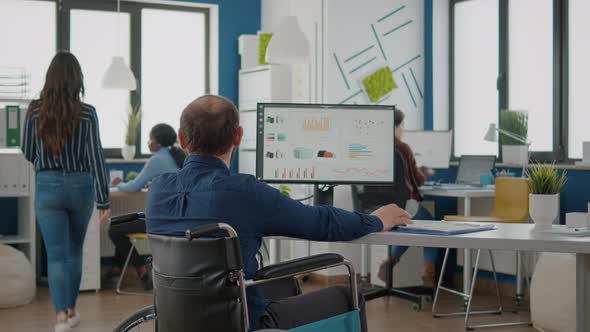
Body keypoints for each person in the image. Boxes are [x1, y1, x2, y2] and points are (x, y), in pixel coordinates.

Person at [145, 95, 412, 332]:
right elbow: (321, 223)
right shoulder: (244, 192)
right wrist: (376, 220)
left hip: (177, 319)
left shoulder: (158, 190)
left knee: (284, 285)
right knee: (348, 295)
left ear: (181, 139)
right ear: (238, 136)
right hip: (244, 320)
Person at [21, 52, 110, 332]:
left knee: (56, 255)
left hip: (48, 186)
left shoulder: (35, 110)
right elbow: (96, 156)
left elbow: (27, 151)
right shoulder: (88, 112)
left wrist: (45, 162)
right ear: (77, 80)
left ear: (50, 79)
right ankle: (72, 310)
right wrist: (103, 198)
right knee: (74, 252)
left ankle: (61, 316)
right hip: (80, 187)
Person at [105, 124, 185, 289]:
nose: (148, 142)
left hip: (163, 220)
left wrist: (119, 184)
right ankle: (116, 269)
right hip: (177, 217)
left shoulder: (157, 160)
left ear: (158, 143)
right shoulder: (177, 157)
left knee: (114, 228)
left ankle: (141, 270)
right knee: (121, 225)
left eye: (150, 138)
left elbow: (134, 186)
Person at [377, 106, 438, 287]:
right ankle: (428, 270)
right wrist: (425, 172)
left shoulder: (373, 146)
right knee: (432, 226)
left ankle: (390, 263)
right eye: (401, 126)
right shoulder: (402, 147)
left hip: (376, 206)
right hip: (401, 204)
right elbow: (416, 180)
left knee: (410, 227)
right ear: (396, 127)